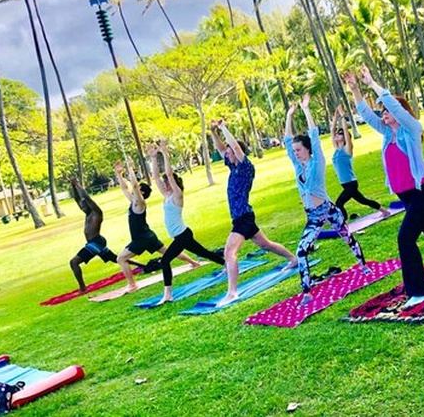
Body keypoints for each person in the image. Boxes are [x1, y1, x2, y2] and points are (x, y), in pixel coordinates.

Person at [344, 67, 424, 309]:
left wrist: (373, 83)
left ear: (400, 112)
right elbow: (366, 114)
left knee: (405, 238)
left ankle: (418, 292)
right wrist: (355, 90)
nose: (383, 113)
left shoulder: (412, 130)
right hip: (406, 196)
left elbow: (394, 108)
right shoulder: (387, 134)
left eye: (387, 110)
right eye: (383, 110)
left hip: (422, 195)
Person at [285, 94, 369, 307]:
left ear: (308, 150)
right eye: (294, 151)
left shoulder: (317, 161)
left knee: (347, 236)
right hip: (312, 217)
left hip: (327, 209)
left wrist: (306, 110)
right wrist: (289, 116)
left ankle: (363, 265)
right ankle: (306, 292)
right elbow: (287, 142)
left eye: (298, 150)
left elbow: (313, 135)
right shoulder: (297, 166)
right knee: (301, 251)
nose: (295, 153)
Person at [210, 119, 297, 308]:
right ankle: (293, 259)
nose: (227, 153)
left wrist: (224, 126)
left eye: (230, 151)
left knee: (229, 252)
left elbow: (234, 147)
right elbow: (221, 148)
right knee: (265, 244)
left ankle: (232, 292)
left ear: (237, 152)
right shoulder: (233, 166)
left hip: (243, 218)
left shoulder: (245, 166)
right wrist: (213, 132)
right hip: (243, 216)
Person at [149, 140, 226, 305]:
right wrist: (153, 158)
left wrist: (164, 153)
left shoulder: (177, 195)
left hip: (181, 236)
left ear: (173, 183)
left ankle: (168, 294)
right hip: (182, 234)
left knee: (165, 261)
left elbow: (169, 174)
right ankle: (226, 264)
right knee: (204, 253)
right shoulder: (167, 195)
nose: (164, 183)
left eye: (167, 182)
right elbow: (155, 177)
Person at [113, 157, 200, 294]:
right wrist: (119, 174)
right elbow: (125, 188)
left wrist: (130, 168)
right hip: (148, 236)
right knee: (169, 251)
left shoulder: (140, 202)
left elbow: (134, 186)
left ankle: (132, 285)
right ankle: (193, 262)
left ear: (141, 193)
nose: (133, 191)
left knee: (121, 258)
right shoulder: (133, 201)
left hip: (141, 239)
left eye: (137, 190)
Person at [68, 177, 142, 294]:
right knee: (115, 258)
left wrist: (77, 184)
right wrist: (73, 186)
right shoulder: (88, 213)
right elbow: (78, 199)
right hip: (96, 242)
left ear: (89, 204)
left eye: (83, 205)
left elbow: (86, 197)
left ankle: (83, 288)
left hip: (96, 242)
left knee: (74, 262)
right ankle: (142, 266)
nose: (81, 207)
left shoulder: (96, 213)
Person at [330, 103, 391, 221]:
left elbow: (346, 135)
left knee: (339, 203)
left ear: (346, 136)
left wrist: (343, 116)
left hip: (351, 183)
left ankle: (343, 223)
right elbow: (332, 130)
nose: (337, 134)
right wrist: (336, 116)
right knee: (363, 200)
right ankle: (384, 211)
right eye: (338, 133)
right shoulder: (336, 149)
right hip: (345, 183)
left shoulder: (347, 149)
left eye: (341, 133)